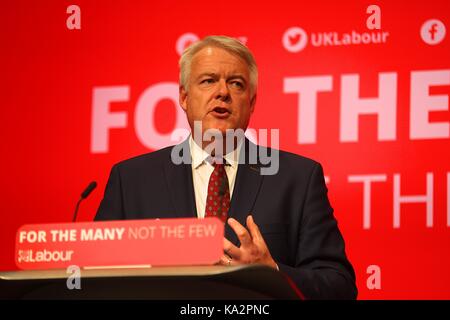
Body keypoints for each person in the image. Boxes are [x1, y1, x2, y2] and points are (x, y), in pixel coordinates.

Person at [95, 35, 357, 299]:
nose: (222, 92)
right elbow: (95, 277)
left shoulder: (298, 179)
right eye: (208, 81)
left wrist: (272, 272)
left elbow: (339, 286)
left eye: (236, 84)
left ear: (252, 103)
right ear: (184, 98)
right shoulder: (130, 181)